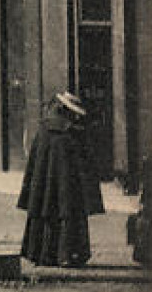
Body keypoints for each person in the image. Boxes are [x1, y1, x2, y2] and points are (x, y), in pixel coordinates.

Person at [17, 91, 104, 267]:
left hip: (44, 184)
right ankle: (67, 255)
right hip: (67, 187)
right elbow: (84, 167)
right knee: (68, 214)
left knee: (44, 212)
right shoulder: (74, 135)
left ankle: (40, 254)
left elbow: (35, 163)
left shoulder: (43, 130)